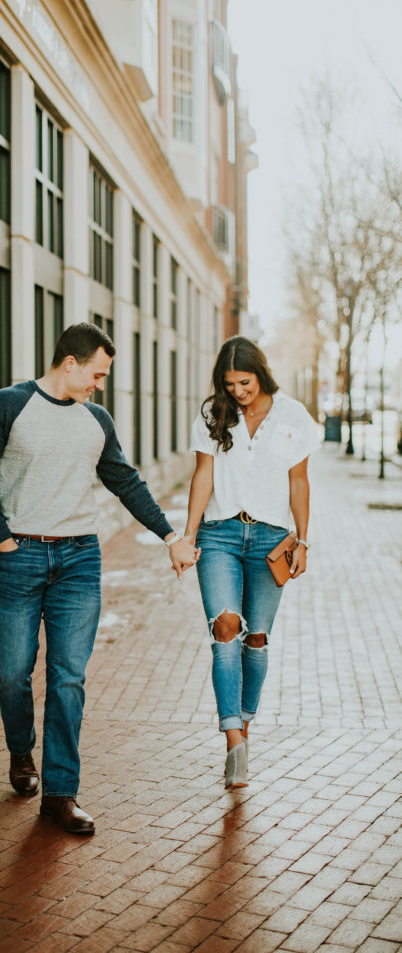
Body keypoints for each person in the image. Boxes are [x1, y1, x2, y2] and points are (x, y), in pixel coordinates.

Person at [0, 322, 198, 833]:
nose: (100, 383)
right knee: (12, 673)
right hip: (20, 555)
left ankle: (60, 794)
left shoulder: (96, 419)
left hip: (79, 561)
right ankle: (21, 752)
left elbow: (124, 481)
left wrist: (170, 535)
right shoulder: (8, 404)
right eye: (97, 372)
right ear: (69, 363)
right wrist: (2, 535)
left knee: (68, 678)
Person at [183, 335, 320, 788]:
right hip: (219, 533)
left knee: (256, 638)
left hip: (270, 539)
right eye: (230, 383)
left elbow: (298, 482)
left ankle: (245, 721)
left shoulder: (292, 415)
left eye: (244, 381)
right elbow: (203, 474)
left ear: (260, 373)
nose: (238, 391)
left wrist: (303, 540)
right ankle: (233, 742)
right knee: (225, 627)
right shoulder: (213, 413)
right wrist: (187, 535)